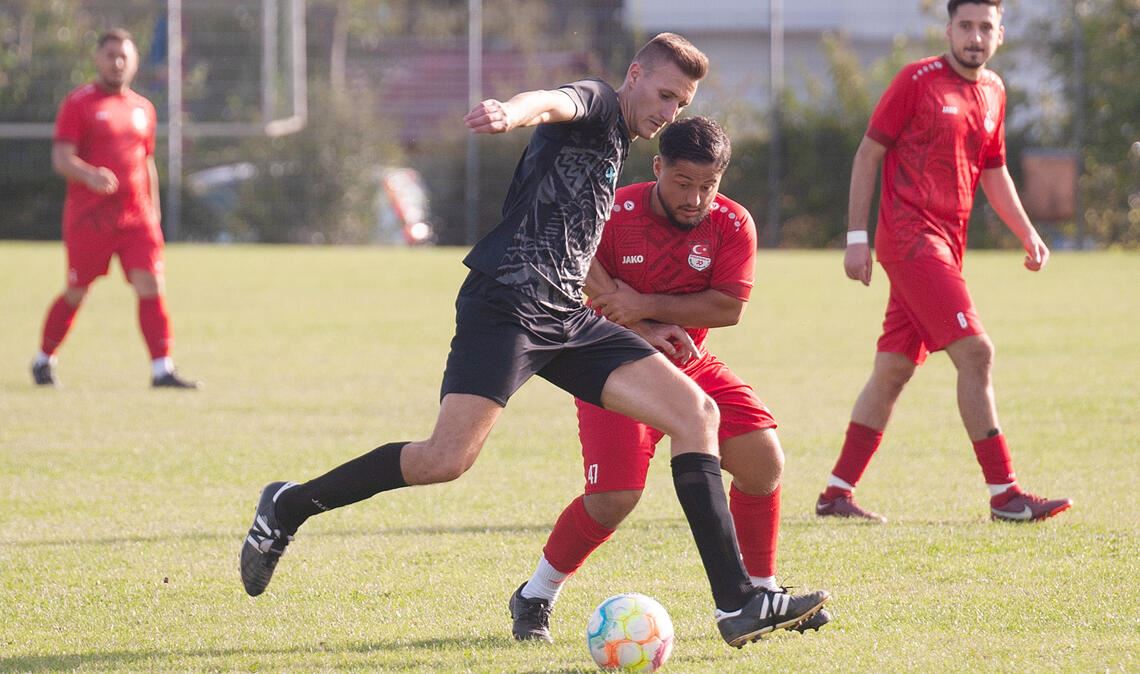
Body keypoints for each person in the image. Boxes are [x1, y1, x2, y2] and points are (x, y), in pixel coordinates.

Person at [239, 33, 828, 647]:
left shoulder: (624, 143)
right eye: (663, 94)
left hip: (567, 316)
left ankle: (737, 603)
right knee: (445, 460)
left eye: (680, 103)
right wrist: (509, 112)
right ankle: (289, 506)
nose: (668, 111)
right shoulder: (600, 104)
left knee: (696, 411)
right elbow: (554, 101)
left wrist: (646, 324)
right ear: (633, 77)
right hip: (506, 305)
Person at [507, 116, 830, 643]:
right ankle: (535, 594)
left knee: (763, 459)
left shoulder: (731, 223)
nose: (695, 198)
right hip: (612, 365)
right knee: (614, 498)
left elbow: (728, 306)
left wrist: (648, 308)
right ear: (658, 167)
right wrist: (637, 323)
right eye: (683, 183)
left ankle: (763, 593)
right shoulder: (614, 212)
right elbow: (576, 261)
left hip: (691, 363)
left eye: (708, 186)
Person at [815, 0, 1071, 523]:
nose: (975, 36)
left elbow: (993, 170)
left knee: (893, 370)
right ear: (949, 29)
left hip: (946, 245)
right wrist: (857, 236)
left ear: (1000, 34)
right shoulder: (916, 80)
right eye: (966, 26)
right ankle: (1006, 496)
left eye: (986, 27)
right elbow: (869, 153)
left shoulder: (995, 90)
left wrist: (1027, 232)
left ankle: (835, 494)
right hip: (910, 241)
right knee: (976, 353)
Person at [32, 29, 199, 389]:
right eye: (110, 55)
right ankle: (43, 359)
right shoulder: (80, 104)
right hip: (90, 219)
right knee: (77, 291)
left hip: (136, 218)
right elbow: (61, 158)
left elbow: (146, 162)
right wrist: (90, 175)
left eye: (124, 56)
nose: (117, 62)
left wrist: (153, 214)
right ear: (98, 59)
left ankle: (161, 369)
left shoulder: (143, 108)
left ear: (134, 60)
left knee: (151, 285)